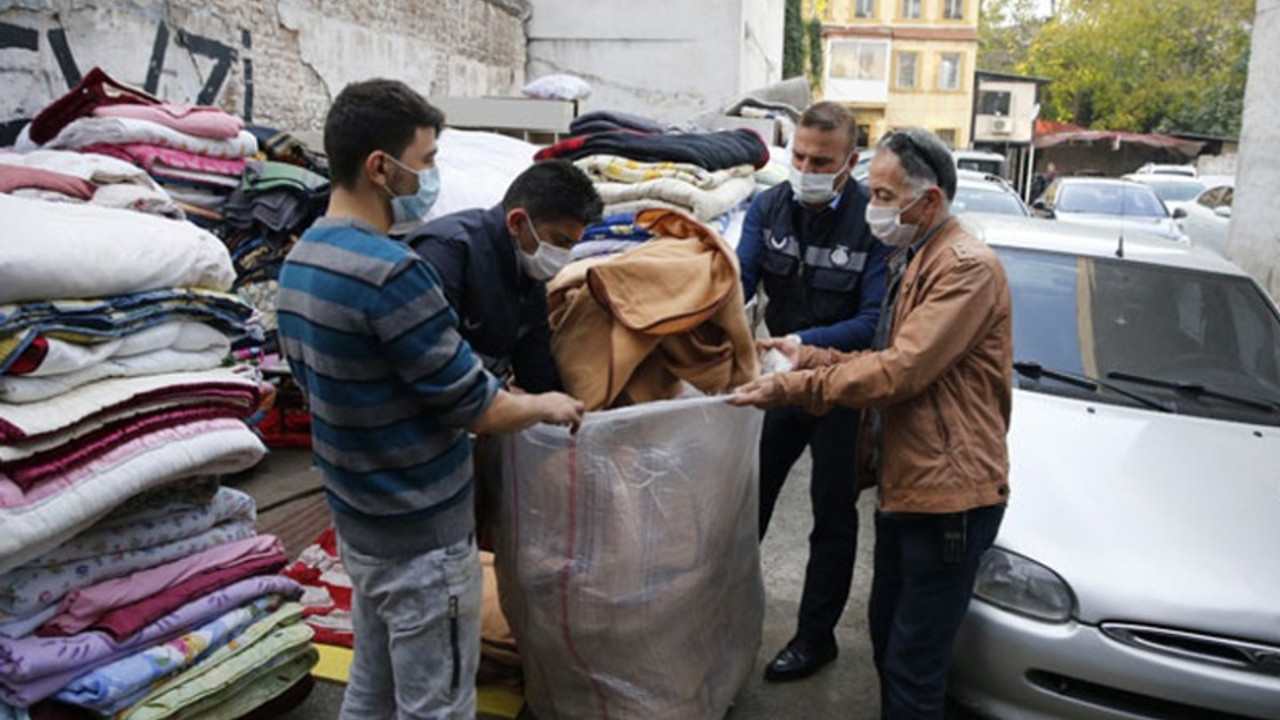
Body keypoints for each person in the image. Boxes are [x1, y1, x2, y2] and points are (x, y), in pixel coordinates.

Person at [276, 79, 584, 720]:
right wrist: (548, 407)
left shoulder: (303, 258)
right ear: (380, 168)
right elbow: (479, 408)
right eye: (428, 160)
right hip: (421, 538)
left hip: (359, 521)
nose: (433, 175)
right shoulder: (397, 272)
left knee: (373, 683)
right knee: (436, 703)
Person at [731, 127, 1013, 719]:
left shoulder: (964, 268)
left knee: (913, 666)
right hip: (909, 486)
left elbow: (901, 372)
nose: (874, 209)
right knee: (888, 643)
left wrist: (794, 384)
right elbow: (884, 353)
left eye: (884, 197)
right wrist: (807, 355)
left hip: (949, 498)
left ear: (928, 202)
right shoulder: (916, 256)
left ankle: (820, 638)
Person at [736, 101, 890, 682]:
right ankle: (723, 609)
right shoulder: (767, 207)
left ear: (850, 162)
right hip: (784, 383)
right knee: (748, 498)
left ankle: (814, 637)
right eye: (798, 155)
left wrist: (802, 342)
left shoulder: (872, 224)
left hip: (841, 387)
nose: (806, 167)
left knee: (833, 513)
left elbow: (875, 320)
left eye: (820, 160)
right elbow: (738, 284)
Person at [405, 160, 603, 392]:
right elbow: (429, 361)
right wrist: (508, 400)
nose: (563, 255)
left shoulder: (528, 278)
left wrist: (561, 409)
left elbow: (537, 369)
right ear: (517, 222)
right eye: (560, 242)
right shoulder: (446, 253)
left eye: (571, 246)